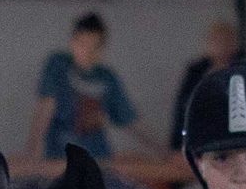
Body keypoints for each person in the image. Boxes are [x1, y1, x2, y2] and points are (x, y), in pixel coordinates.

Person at [25, 12, 155, 160]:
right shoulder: (58, 65)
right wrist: (33, 150)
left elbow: (130, 120)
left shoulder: (107, 77)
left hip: (97, 156)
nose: (87, 52)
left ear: (102, 47)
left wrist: (164, 153)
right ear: (73, 42)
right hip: (61, 155)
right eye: (82, 45)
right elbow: (46, 106)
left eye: (94, 47)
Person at [170, 19, 244, 146]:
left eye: (226, 40)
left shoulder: (243, 71)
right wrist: (176, 144)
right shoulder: (195, 71)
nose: (221, 45)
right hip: (198, 137)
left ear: (235, 44)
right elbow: (182, 109)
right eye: (216, 40)